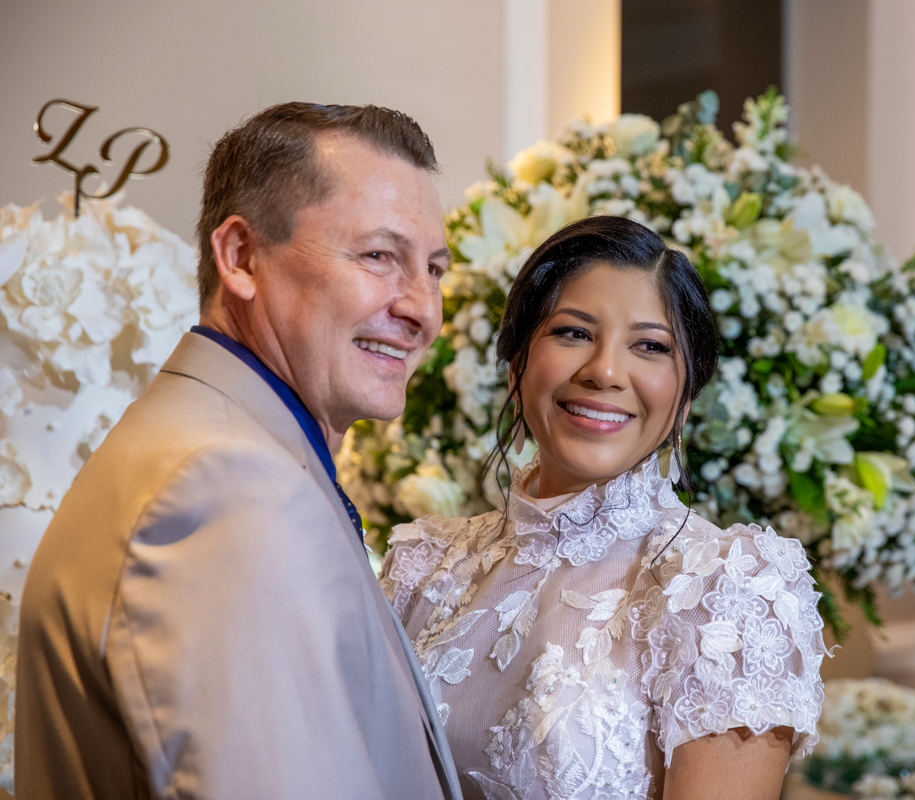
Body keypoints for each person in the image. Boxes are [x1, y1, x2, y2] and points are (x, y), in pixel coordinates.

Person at [16, 103, 462, 800]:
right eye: (379, 256)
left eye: (432, 269)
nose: (422, 309)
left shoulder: (216, 444)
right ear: (241, 258)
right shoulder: (228, 484)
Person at [380, 215, 826, 800]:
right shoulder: (422, 566)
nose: (605, 372)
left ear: (684, 397)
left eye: (649, 346)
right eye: (573, 333)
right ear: (516, 366)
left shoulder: (729, 592)